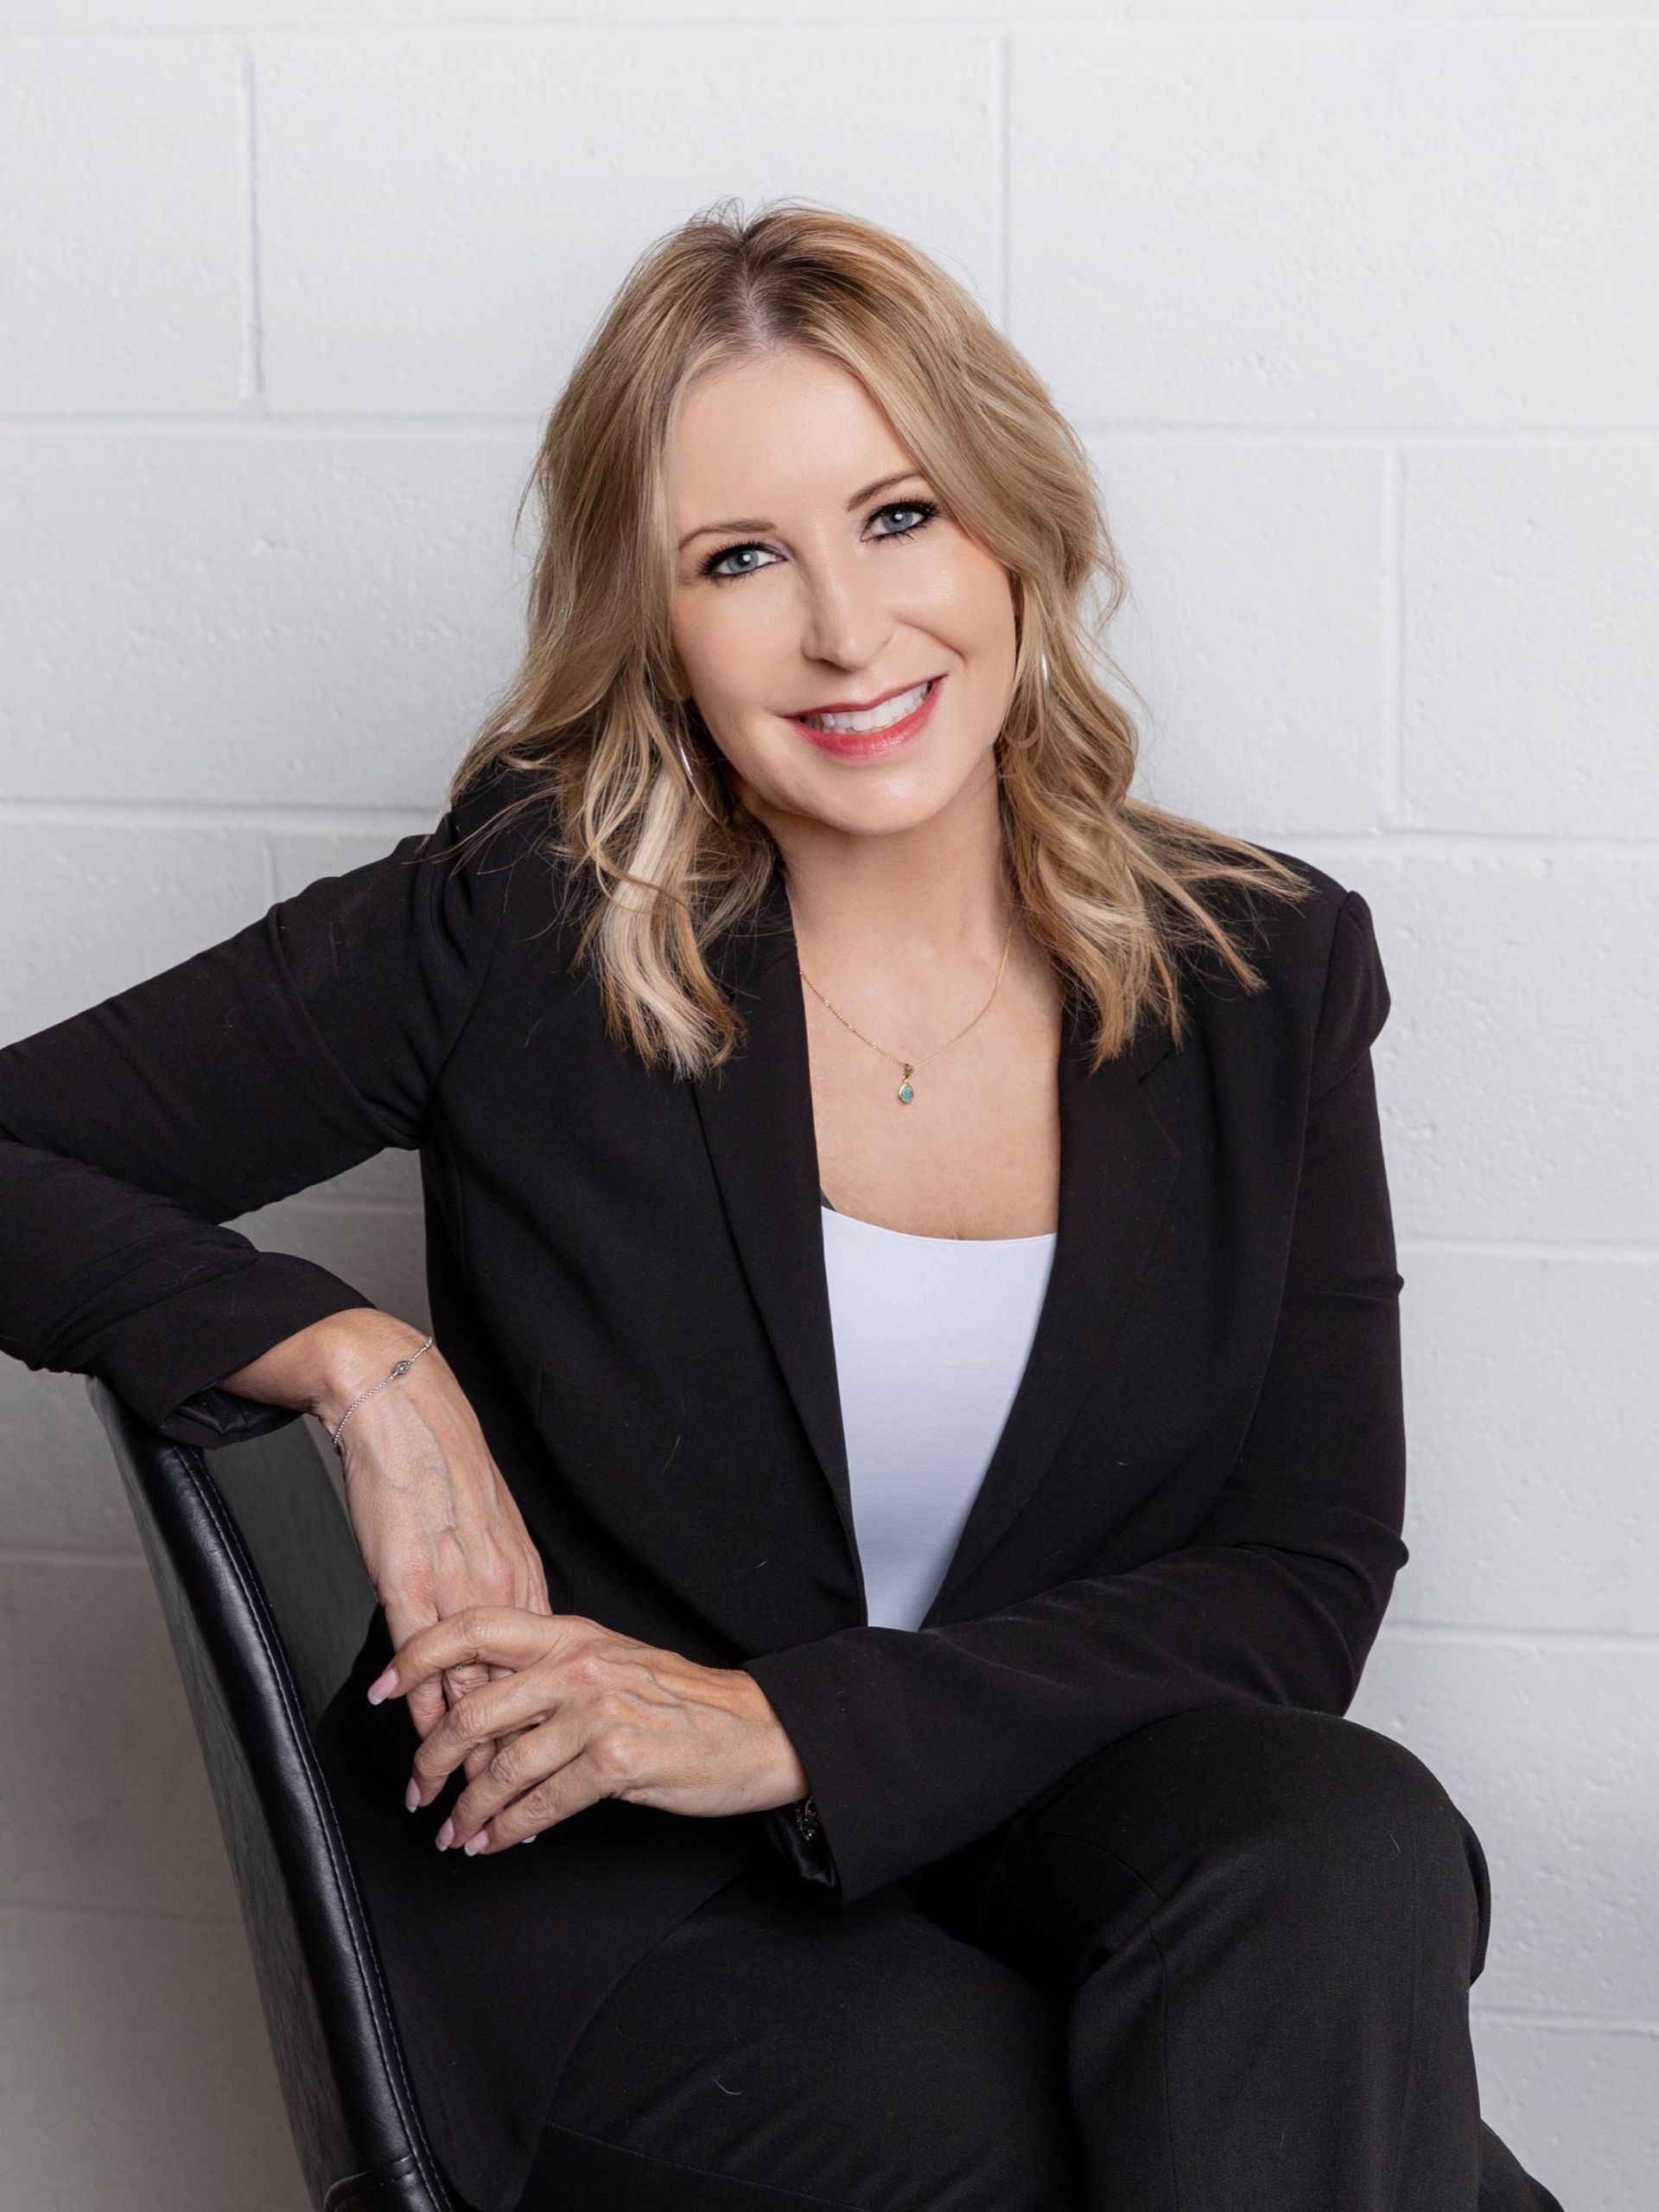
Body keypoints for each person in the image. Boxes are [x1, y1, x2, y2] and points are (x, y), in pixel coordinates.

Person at [0, 200, 1566, 2212]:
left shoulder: (1262, 973)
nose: (847, 629)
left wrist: (790, 1726)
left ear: (1013, 523)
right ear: (652, 622)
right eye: (742, 558)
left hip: (1032, 1796)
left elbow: (1301, 1564)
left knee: (1342, 1838)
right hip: (602, 1886)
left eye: (899, 514)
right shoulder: (519, 925)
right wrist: (354, 1357)